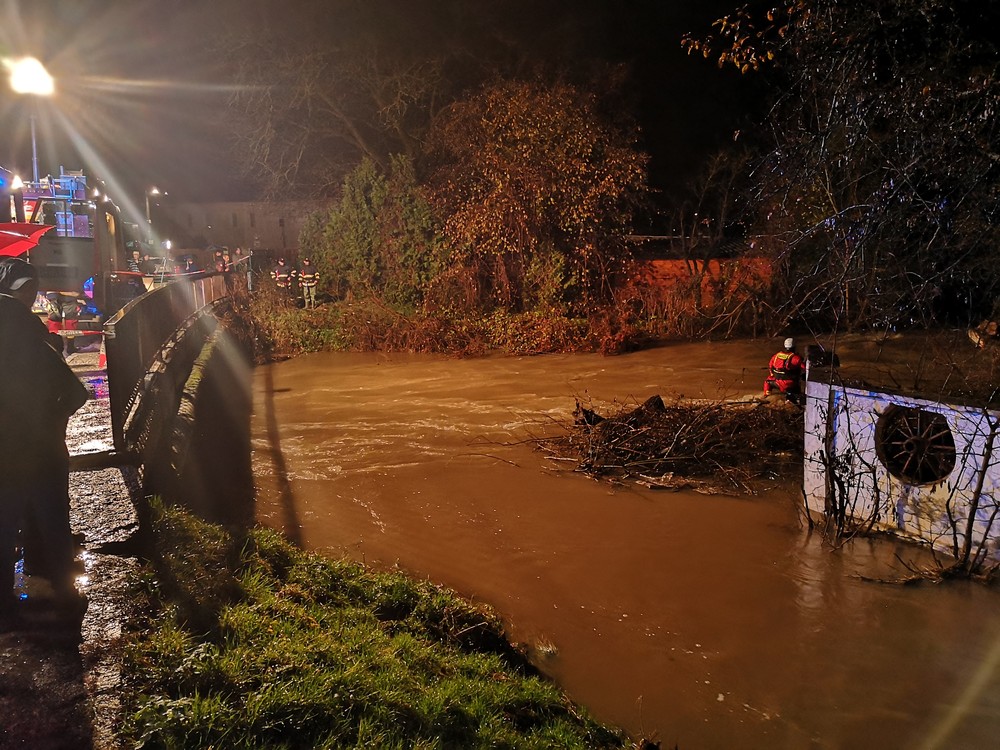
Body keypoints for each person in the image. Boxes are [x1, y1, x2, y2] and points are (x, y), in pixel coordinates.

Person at [0, 258, 89, 624]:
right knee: (54, 523)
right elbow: (76, 393)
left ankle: (4, 607)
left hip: (4, 457)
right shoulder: (37, 343)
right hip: (44, 452)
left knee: (4, 527)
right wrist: (51, 422)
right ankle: (65, 596)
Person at [763, 337, 805, 401]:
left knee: (767, 382)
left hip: (777, 383)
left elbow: (770, 367)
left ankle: (766, 396)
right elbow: (805, 368)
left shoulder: (776, 356)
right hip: (791, 384)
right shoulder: (796, 358)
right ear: (794, 347)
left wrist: (773, 375)